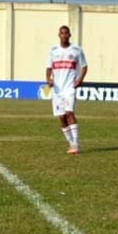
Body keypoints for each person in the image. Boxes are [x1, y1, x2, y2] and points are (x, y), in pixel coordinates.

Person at [45, 25, 88, 154]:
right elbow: (48, 67)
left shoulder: (76, 50)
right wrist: (48, 79)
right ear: (59, 35)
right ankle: (71, 143)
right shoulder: (53, 50)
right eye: (62, 33)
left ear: (69, 35)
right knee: (62, 117)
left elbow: (84, 66)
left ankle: (76, 143)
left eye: (66, 33)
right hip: (57, 89)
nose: (64, 35)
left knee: (69, 113)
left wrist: (80, 80)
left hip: (69, 88)